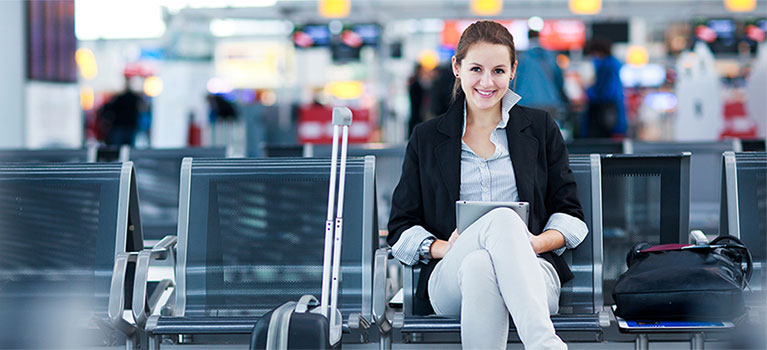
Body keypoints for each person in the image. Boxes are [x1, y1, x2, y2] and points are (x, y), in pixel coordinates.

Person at [387, 20, 588, 350]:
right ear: (457, 67)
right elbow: (400, 228)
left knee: (481, 263)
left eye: (498, 71)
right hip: (450, 276)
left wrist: (533, 244)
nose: (486, 81)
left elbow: (571, 214)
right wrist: (443, 248)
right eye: (476, 69)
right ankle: (543, 344)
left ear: (512, 72)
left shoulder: (539, 128)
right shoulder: (427, 138)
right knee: (499, 223)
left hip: (533, 271)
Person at [513, 29, 568, 120]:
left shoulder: (521, 58)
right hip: (550, 102)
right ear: (539, 37)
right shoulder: (550, 57)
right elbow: (559, 81)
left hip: (525, 103)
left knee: (527, 132)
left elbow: (513, 82)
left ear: (527, 37)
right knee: (546, 132)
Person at [580, 37, 627, 138]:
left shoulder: (604, 67)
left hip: (602, 113)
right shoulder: (613, 65)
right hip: (613, 113)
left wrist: (588, 93)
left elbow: (603, 92)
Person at [103, 76, 145, 146]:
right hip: (130, 126)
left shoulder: (119, 98)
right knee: (129, 149)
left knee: (116, 149)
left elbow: (108, 108)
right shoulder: (135, 98)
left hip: (120, 126)